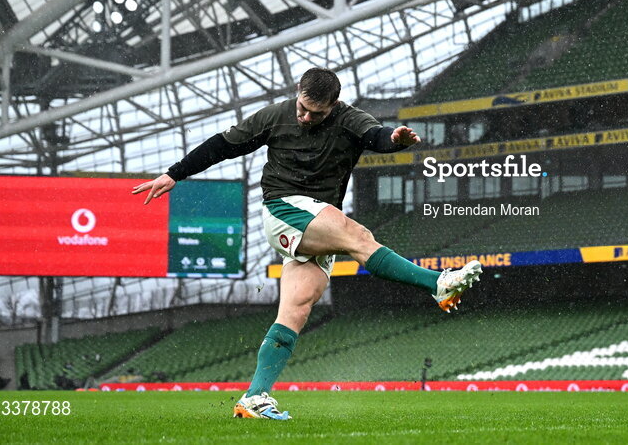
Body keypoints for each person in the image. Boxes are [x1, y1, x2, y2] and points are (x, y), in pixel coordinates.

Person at [132, 67, 482, 420]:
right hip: (283, 209)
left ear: (334, 104)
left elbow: (376, 136)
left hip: (318, 224)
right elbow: (224, 145)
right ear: (298, 91)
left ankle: (254, 397)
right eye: (303, 108)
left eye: (317, 113)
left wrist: (395, 140)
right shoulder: (275, 116)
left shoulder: (349, 119)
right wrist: (174, 173)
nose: (306, 117)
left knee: (296, 310)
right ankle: (436, 283)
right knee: (358, 237)